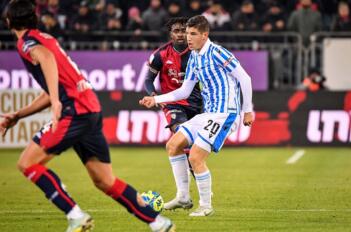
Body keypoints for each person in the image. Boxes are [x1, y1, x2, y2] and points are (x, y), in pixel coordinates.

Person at [0, 1, 175, 232]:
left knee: (27, 163)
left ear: (8, 21)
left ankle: (76, 216)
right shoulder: (45, 37)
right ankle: (159, 222)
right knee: (104, 180)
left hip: (75, 111)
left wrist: (55, 101)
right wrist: (19, 115)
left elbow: (47, 60)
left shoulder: (27, 42)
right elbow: (56, 83)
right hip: (89, 108)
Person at [140, 15, 254, 216]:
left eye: (192, 34)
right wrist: (155, 99)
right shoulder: (194, 57)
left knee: (195, 157)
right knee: (173, 146)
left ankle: (205, 205)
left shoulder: (218, 53)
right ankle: (183, 197)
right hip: (208, 114)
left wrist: (247, 110)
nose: (188, 38)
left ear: (204, 35)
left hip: (225, 113)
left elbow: (245, 78)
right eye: (186, 33)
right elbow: (183, 91)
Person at [144, 17, 202, 210]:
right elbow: (148, 79)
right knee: (181, 137)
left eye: (183, 31)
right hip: (172, 104)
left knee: (193, 147)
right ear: (170, 33)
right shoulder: (160, 55)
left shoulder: (196, 53)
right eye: (176, 30)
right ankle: (186, 193)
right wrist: (152, 95)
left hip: (196, 105)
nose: (180, 34)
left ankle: (185, 195)